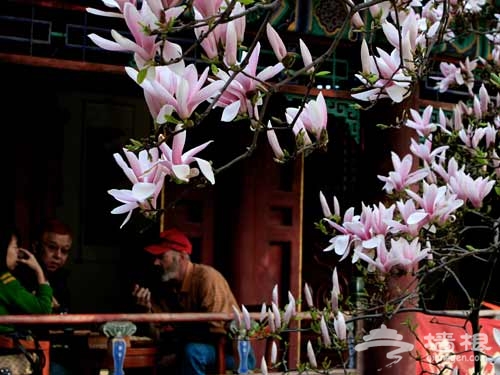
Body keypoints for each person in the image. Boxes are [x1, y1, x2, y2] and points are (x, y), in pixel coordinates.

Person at [132, 228, 255, 375]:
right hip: (191, 350)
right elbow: (158, 334)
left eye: (161, 256)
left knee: (192, 352)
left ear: (182, 256)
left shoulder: (207, 278)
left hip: (232, 354)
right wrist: (146, 311)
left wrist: (177, 355)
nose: (155, 263)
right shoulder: (166, 287)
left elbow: (216, 333)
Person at [15, 219, 73, 375]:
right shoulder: (20, 274)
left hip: (56, 351)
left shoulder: (61, 278)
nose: (58, 256)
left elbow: (64, 315)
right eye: (52, 248)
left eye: (65, 250)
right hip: (24, 353)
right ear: (35, 246)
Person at [0, 224, 53, 334]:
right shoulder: (5, 281)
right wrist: (38, 270)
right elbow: (43, 311)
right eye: (15, 247)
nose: (18, 253)